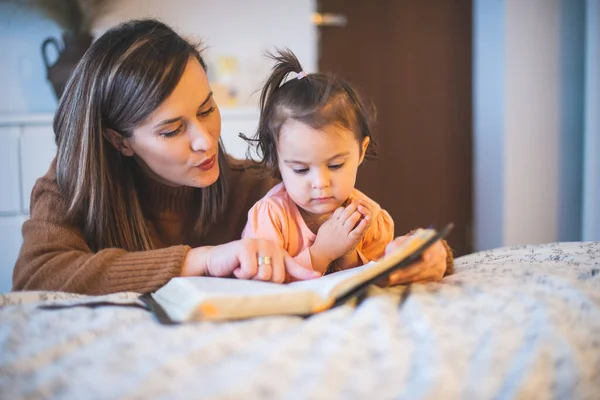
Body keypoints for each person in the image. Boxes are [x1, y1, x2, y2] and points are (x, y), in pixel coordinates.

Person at [12, 20, 321, 294]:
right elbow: (35, 279)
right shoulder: (73, 187)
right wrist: (199, 260)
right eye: (172, 130)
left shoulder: (260, 187)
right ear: (120, 141)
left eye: (207, 110)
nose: (205, 141)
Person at [241, 50, 454, 280]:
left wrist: (349, 254)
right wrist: (321, 253)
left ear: (361, 151)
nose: (320, 183)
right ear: (277, 161)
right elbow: (262, 286)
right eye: (301, 170)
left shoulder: (369, 218)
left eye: (335, 165)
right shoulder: (270, 217)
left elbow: (374, 282)